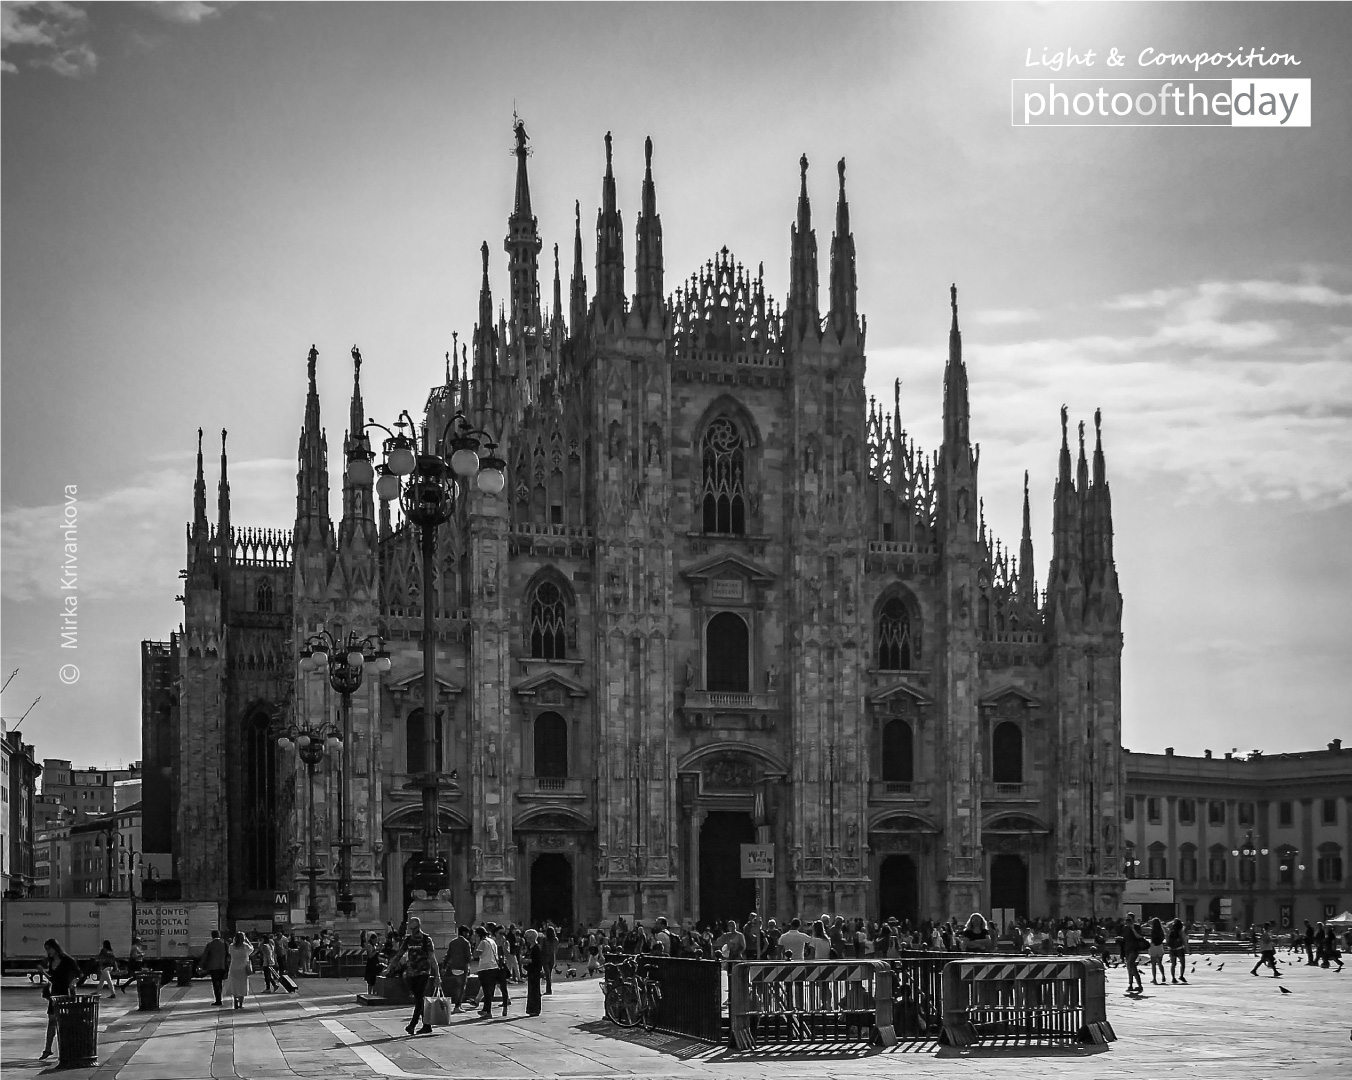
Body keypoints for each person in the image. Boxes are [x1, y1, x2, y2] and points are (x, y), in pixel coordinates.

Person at [392, 915, 440, 1034]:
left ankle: (412, 1025)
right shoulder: (408, 939)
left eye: (412, 927)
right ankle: (427, 1025)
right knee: (419, 999)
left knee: (419, 998)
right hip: (410, 973)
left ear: (417, 926)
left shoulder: (426, 939)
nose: (410, 929)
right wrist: (390, 968)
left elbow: (432, 958)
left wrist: (437, 975)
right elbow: (399, 954)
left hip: (423, 972)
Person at [39, 938, 83, 1060]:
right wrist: (44, 973)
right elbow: (53, 979)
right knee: (52, 1021)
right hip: (55, 993)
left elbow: (79, 974)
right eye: (46, 949)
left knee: (64, 1022)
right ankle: (47, 1049)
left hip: (66, 993)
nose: (48, 952)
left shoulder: (67, 960)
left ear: (55, 948)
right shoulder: (51, 961)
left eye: (49, 949)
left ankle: (66, 1048)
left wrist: (74, 982)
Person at [474, 925, 508, 1017]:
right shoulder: (492, 941)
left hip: (485, 968)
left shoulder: (483, 942)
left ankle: (487, 1011)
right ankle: (486, 1009)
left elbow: (476, 955)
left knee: (486, 991)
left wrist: (476, 943)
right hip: (494, 967)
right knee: (490, 990)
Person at [442, 925, 473, 1013]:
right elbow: (468, 957)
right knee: (461, 987)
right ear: (464, 932)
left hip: (454, 967)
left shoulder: (453, 942)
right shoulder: (466, 942)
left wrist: (444, 966)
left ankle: (456, 1004)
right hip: (463, 967)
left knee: (456, 987)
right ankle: (457, 1005)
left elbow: (448, 955)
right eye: (467, 933)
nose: (468, 935)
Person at [201, 930, 229, 1005]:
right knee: (220, 982)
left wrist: (201, 965)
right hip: (222, 966)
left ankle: (218, 999)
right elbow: (228, 955)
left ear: (212, 936)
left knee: (215, 983)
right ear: (219, 935)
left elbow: (205, 955)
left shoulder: (210, 945)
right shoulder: (225, 944)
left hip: (213, 966)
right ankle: (220, 997)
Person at [226, 931, 253, 1010]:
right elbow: (252, 949)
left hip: (234, 967)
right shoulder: (246, 946)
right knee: (242, 985)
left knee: (235, 985)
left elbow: (230, 953)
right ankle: (240, 1003)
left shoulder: (231, 946)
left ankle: (235, 1001)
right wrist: (247, 940)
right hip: (243, 968)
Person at [1121, 914, 1144, 993]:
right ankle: (1130, 984)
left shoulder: (1136, 927)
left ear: (1133, 920)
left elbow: (1139, 937)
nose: (1127, 921)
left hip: (1134, 949)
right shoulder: (1125, 928)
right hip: (1127, 949)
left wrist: (1132, 928)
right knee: (1129, 967)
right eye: (1126, 920)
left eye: (1129, 920)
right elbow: (1125, 939)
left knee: (1131, 966)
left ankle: (1139, 985)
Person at [523, 928, 544, 1016]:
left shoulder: (536, 948)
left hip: (535, 971)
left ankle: (535, 1009)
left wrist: (527, 961)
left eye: (527, 937)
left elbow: (537, 960)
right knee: (531, 991)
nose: (526, 939)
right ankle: (531, 1009)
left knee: (535, 990)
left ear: (531, 937)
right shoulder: (530, 947)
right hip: (530, 971)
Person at [1166, 919, 1188, 984]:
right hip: (1179, 948)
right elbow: (1184, 939)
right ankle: (1181, 976)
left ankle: (1173, 978)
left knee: (1173, 964)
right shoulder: (1181, 930)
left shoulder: (1170, 930)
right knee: (1182, 964)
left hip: (1172, 948)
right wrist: (1187, 948)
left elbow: (1167, 938)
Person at [1148, 917, 1167, 985]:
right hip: (1160, 946)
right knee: (1160, 963)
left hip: (1153, 946)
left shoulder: (1152, 930)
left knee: (1153, 964)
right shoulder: (1161, 931)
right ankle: (1163, 975)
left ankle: (1154, 978)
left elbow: (1142, 927)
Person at [542, 924, 559, 995]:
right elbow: (556, 949)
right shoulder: (556, 939)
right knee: (549, 974)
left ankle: (548, 990)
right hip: (552, 957)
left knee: (547, 974)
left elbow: (542, 948)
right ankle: (549, 989)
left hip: (545, 957)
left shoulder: (544, 939)